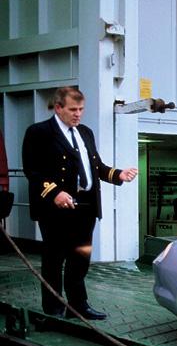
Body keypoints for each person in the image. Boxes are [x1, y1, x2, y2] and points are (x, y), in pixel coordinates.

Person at [22, 87, 138, 320]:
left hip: (85, 208)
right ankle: (54, 308)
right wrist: (54, 192)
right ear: (58, 108)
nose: (78, 114)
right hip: (55, 209)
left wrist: (118, 175)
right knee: (55, 258)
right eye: (73, 109)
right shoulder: (39, 132)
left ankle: (78, 305)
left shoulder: (85, 132)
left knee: (80, 257)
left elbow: (96, 167)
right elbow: (32, 170)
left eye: (81, 109)